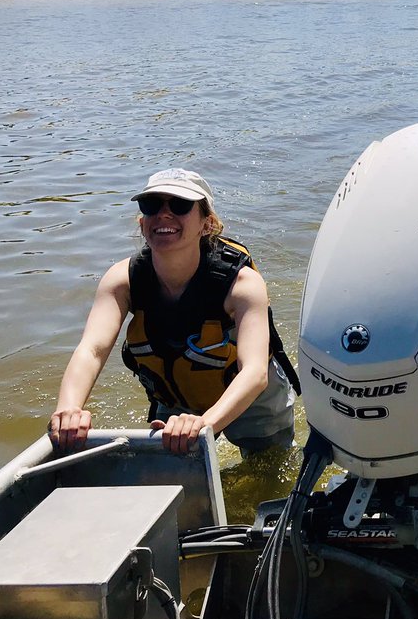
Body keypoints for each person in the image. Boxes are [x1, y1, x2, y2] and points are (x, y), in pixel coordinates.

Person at [50, 169, 299, 456]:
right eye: (152, 205)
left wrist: (203, 425)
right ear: (142, 223)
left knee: (266, 470)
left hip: (252, 400)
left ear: (207, 224)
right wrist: (68, 409)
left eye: (180, 206)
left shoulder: (242, 284)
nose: (164, 214)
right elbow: (92, 349)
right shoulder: (122, 280)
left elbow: (254, 373)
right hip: (177, 401)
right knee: (170, 469)